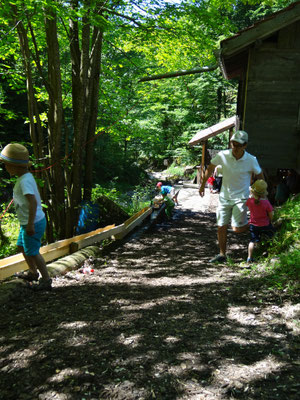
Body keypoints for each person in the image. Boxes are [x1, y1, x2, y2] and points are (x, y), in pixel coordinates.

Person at [199, 130, 264, 263]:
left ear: (245, 145)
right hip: (224, 197)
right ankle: (222, 254)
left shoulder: (251, 160)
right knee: (221, 226)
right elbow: (210, 168)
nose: (235, 147)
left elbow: (260, 176)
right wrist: (202, 185)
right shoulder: (223, 155)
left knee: (237, 229)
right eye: (233, 144)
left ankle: (258, 227)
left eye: (238, 145)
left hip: (241, 198)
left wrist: (261, 195)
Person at [0, 143, 52, 291]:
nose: (5, 168)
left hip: (33, 222)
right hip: (28, 222)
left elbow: (33, 202)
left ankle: (46, 279)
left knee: (33, 252)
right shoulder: (24, 177)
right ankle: (33, 273)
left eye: (6, 165)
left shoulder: (24, 181)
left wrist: (30, 225)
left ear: (15, 166)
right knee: (21, 246)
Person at [246, 180, 274, 263]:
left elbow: (248, 206)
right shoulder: (266, 202)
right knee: (271, 237)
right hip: (265, 224)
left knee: (252, 241)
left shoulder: (250, 201)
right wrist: (271, 220)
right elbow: (271, 214)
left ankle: (249, 257)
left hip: (253, 225)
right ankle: (268, 252)